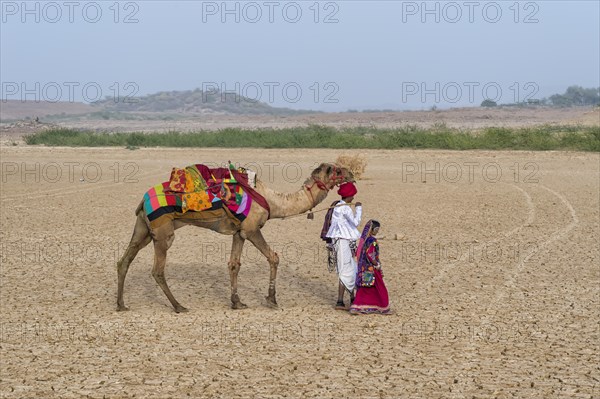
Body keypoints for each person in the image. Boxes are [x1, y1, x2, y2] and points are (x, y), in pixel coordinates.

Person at [324, 182, 362, 310]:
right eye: (352, 196)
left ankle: (352, 299)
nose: (353, 198)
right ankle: (340, 301)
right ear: (349, 196)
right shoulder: (345, 208)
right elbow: (356, 222)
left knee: (351, 268)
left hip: (341, 240)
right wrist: (359, 209)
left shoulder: (337, 206)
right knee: (346, 271)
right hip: (342, 241)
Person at [349, 220, 391, 315]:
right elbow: (370, 254)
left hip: (365, 268)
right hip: (372, 269)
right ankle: (382, 307)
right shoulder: (372, 241)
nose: (377, 231)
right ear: (372, 230)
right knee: (380, 288)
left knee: (365, 288)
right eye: (376, 229)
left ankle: (358, 306)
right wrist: (376, 264)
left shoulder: (365, 240)